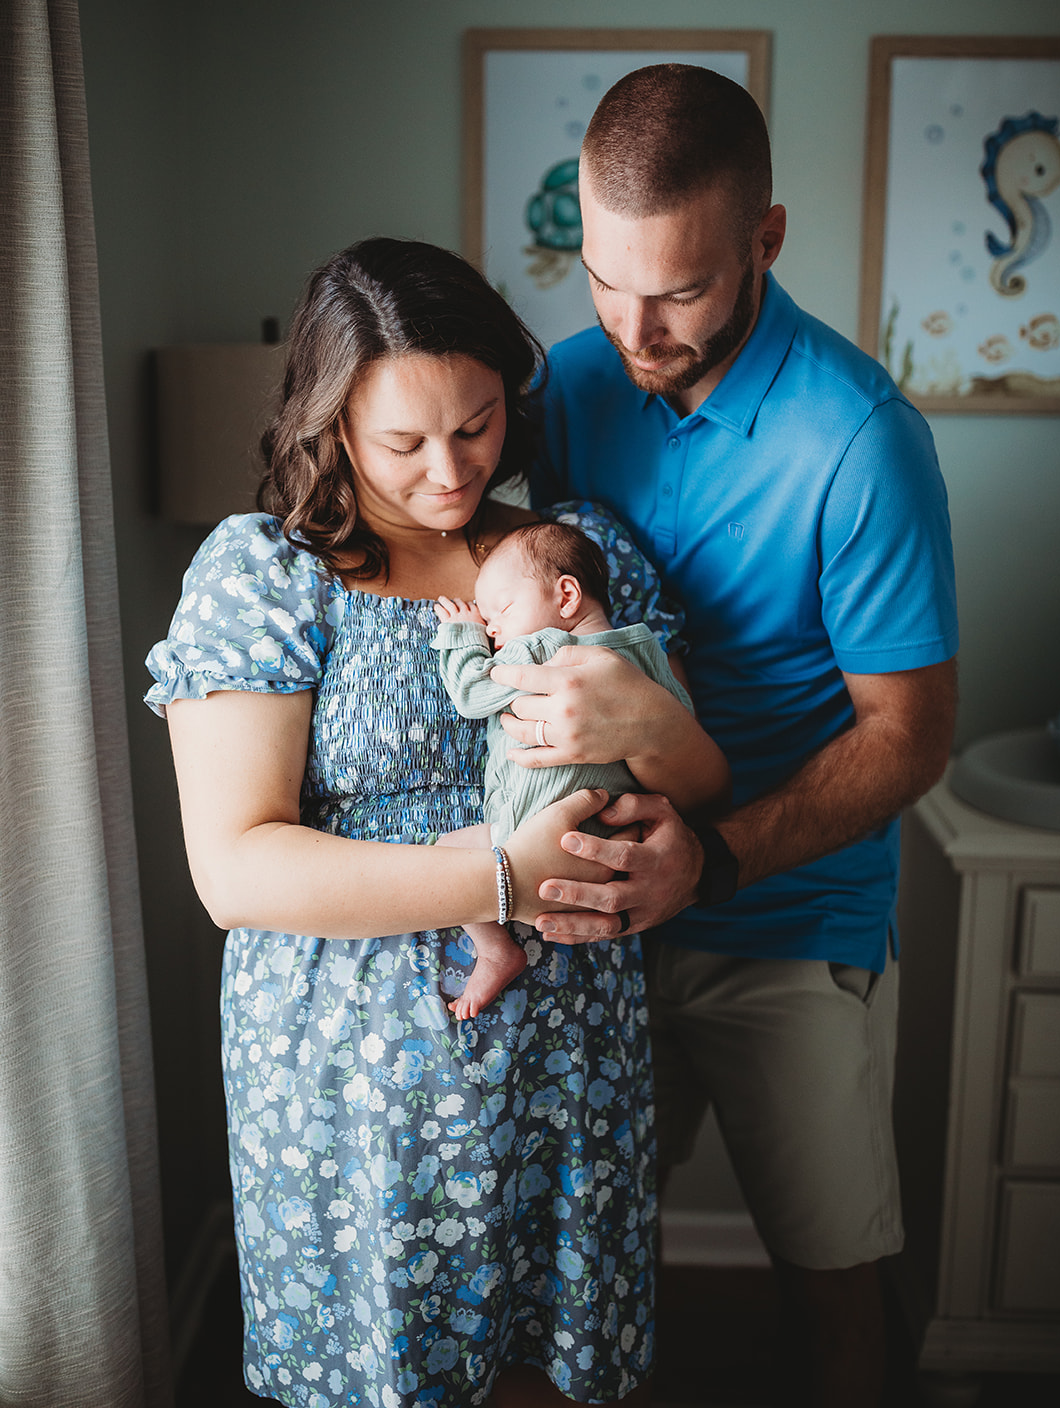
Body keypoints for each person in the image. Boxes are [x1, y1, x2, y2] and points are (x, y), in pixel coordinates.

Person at [144, 236, 724, 1408]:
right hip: (359, 1086)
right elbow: (236, 868)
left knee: (552, 1371)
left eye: (476, 423)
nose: (451, 470)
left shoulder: (577, 553)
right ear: (332, 428)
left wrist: (677, 848)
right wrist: (503, 878)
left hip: (571, 1061)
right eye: (403, 442)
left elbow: (685, 769)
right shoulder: (264, 574)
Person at [486, 65, 959, 1408]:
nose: (634, 328)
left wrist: (716, 857)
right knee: (554, 1272)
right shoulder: (564, 386)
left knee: (827, 1272)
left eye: (680, 291)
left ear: (764, 239)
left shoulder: (862, 440)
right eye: (602, 279)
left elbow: (907, 737)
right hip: (586, 922)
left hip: (784, 923)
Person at [431, 519, 726, 1019]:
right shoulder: (646, 649)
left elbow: (472, 694)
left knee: (444, 853)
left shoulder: (541, 648)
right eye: (486, 619)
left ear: (566, 595)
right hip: (617, 849)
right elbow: (683, 723)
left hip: (533, 843)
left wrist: (464, 635)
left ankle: (498, 950)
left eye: (500, 610)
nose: (493, 626)